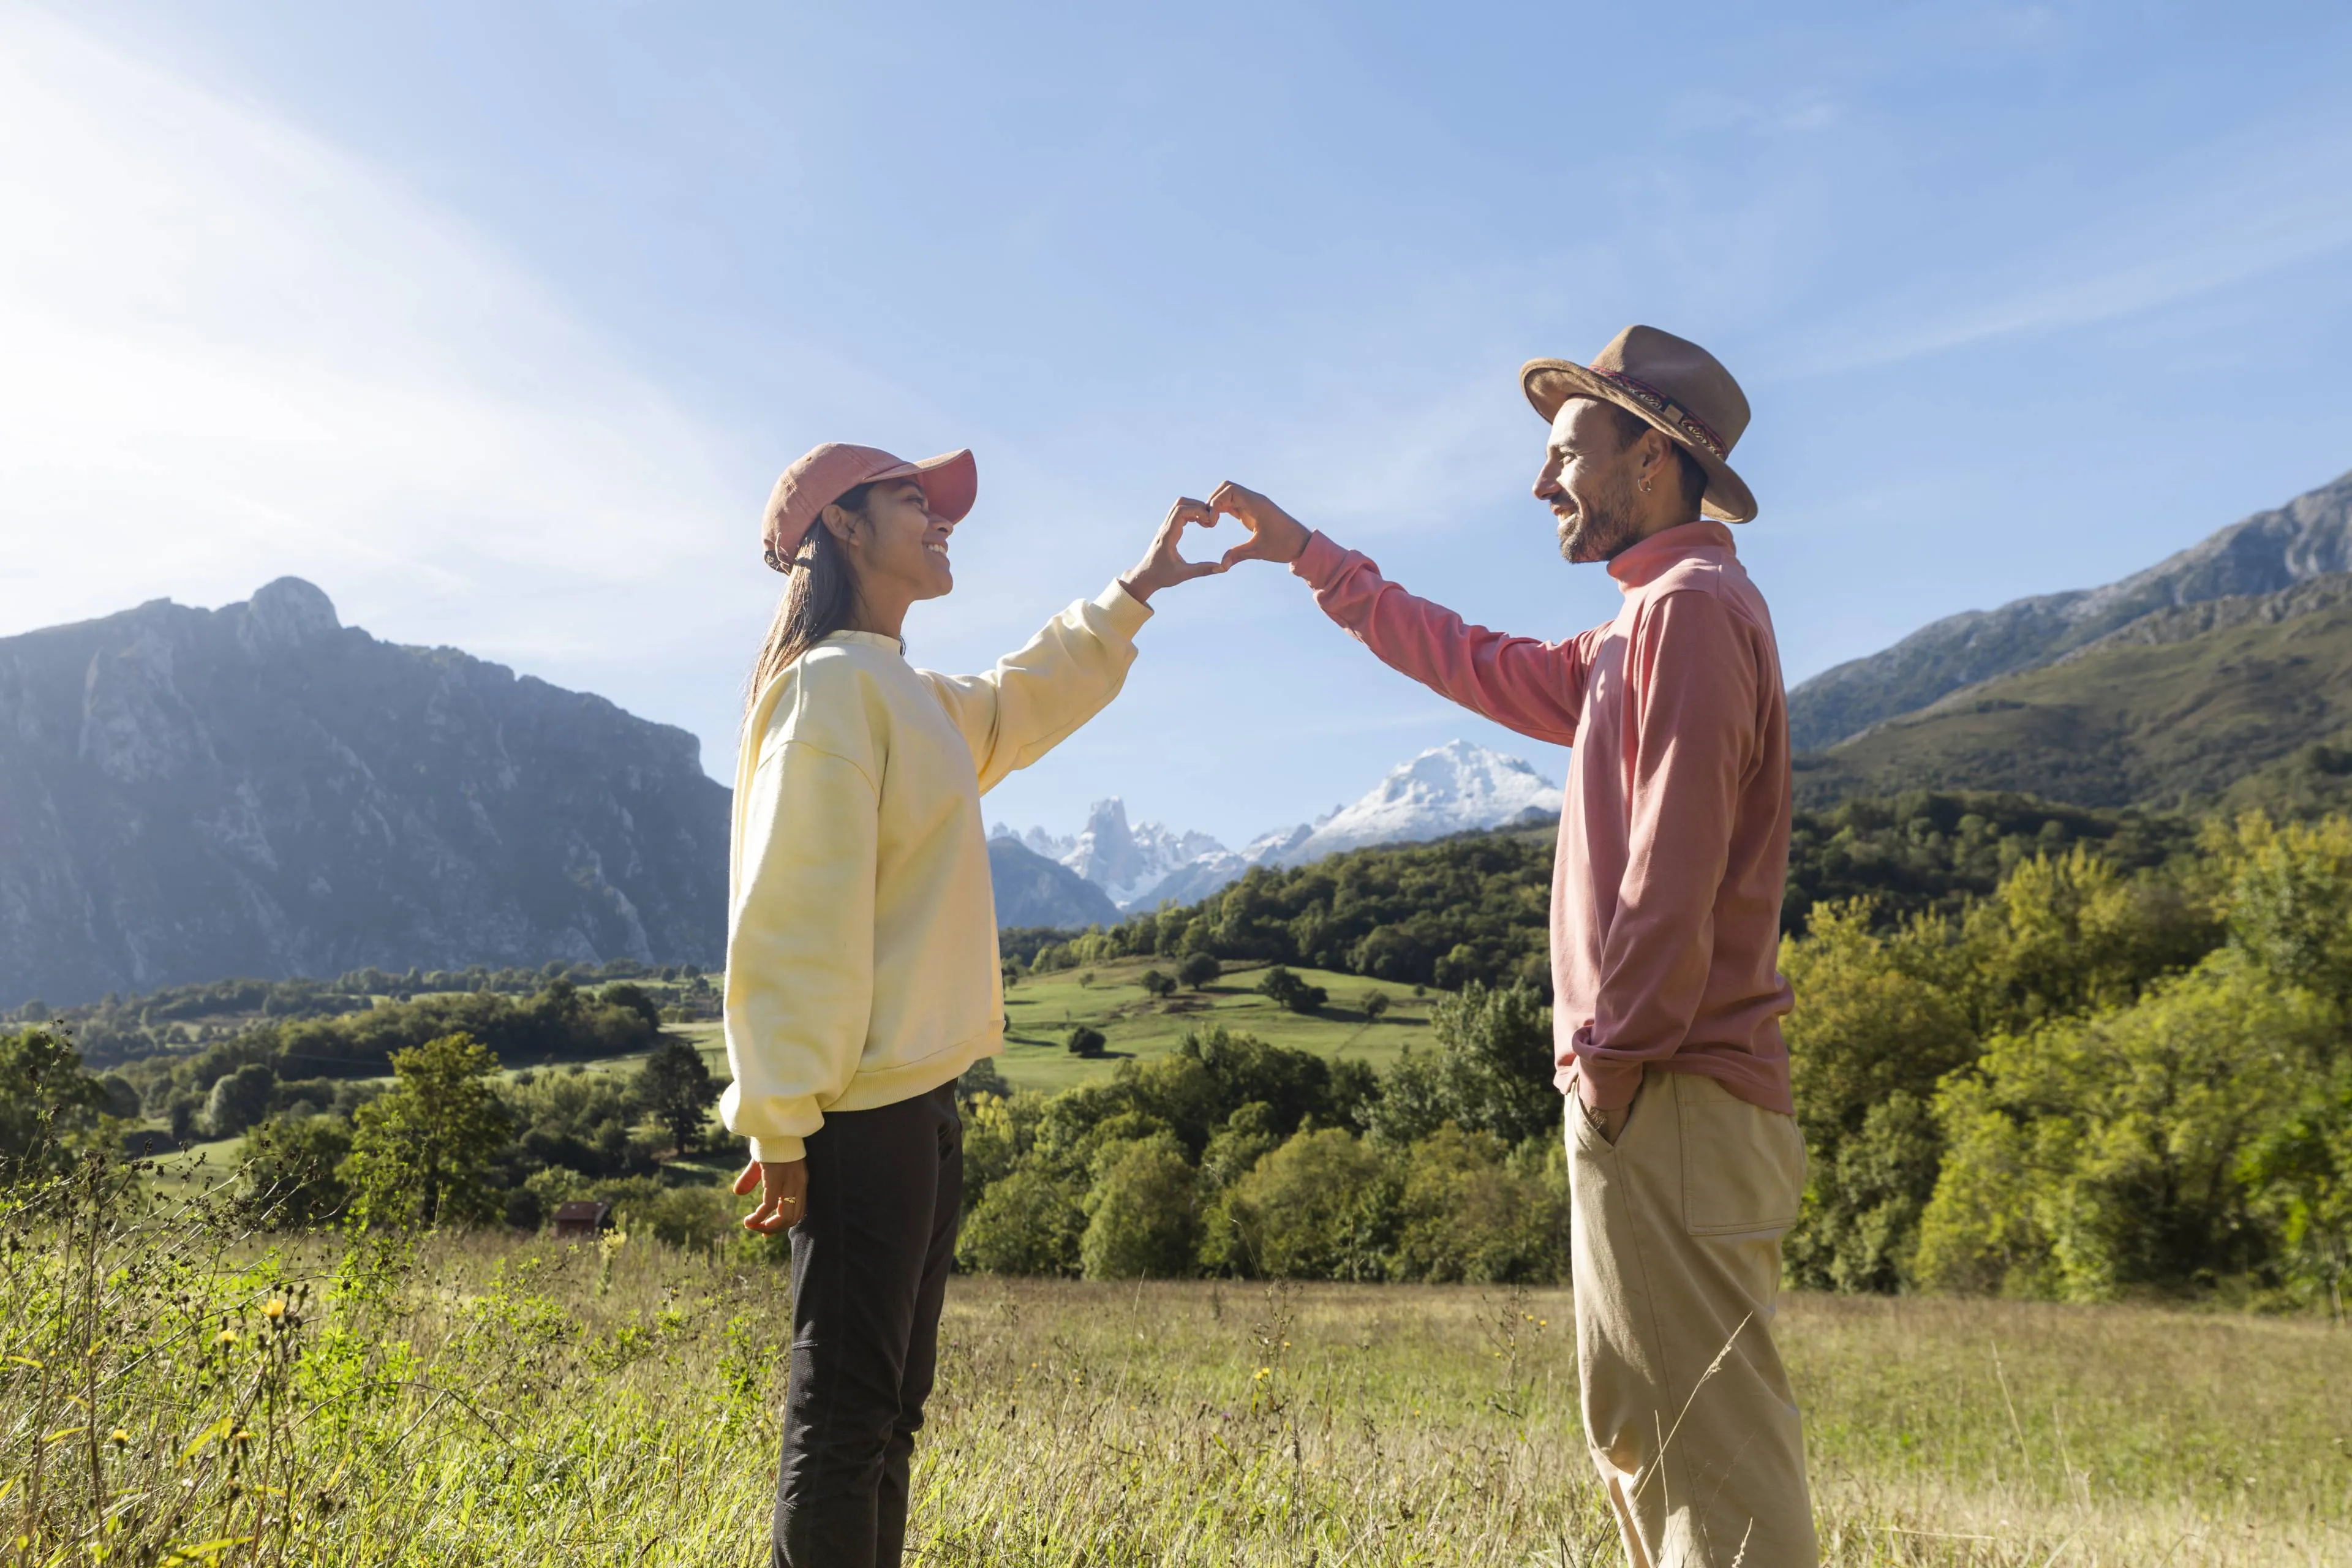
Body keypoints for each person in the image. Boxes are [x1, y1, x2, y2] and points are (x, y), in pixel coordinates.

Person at [1213, 326, 1816, 1567]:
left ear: (1651, 457)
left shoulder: (1691, 612)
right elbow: (1476, 662)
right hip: (1658, 1089)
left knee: (1718, 1464)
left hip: (1671, 1087)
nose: (1544, 485)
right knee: (1653, 1435)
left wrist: (1613, 1054)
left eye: (1566, 454)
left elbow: (1675, 860)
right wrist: (1313, 558)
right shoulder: (1642, 625)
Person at [722, 441, 1220, 1567]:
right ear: (842, 528)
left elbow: (1022, 697)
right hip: (858, 1118)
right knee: (847, 1423)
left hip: (916, 1110)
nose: (942, 518)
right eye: (915, 500)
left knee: (887, 1418)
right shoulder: (828, 692)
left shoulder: (903, 693)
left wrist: (1134, 591)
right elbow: (794, 910)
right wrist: (781, 1116)